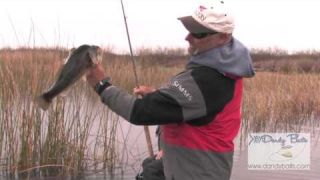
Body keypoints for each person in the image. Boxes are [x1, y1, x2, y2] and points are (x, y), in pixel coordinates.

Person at [86, 1, 255, 179]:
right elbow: (196, 109)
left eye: (199, 33)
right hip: (187, 166)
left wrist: (102, 85)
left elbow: (139, 112)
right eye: (189, 29)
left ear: (223, 37)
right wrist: (156, 94)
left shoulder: (210, 79)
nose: (188, 37)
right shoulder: (221, 69)